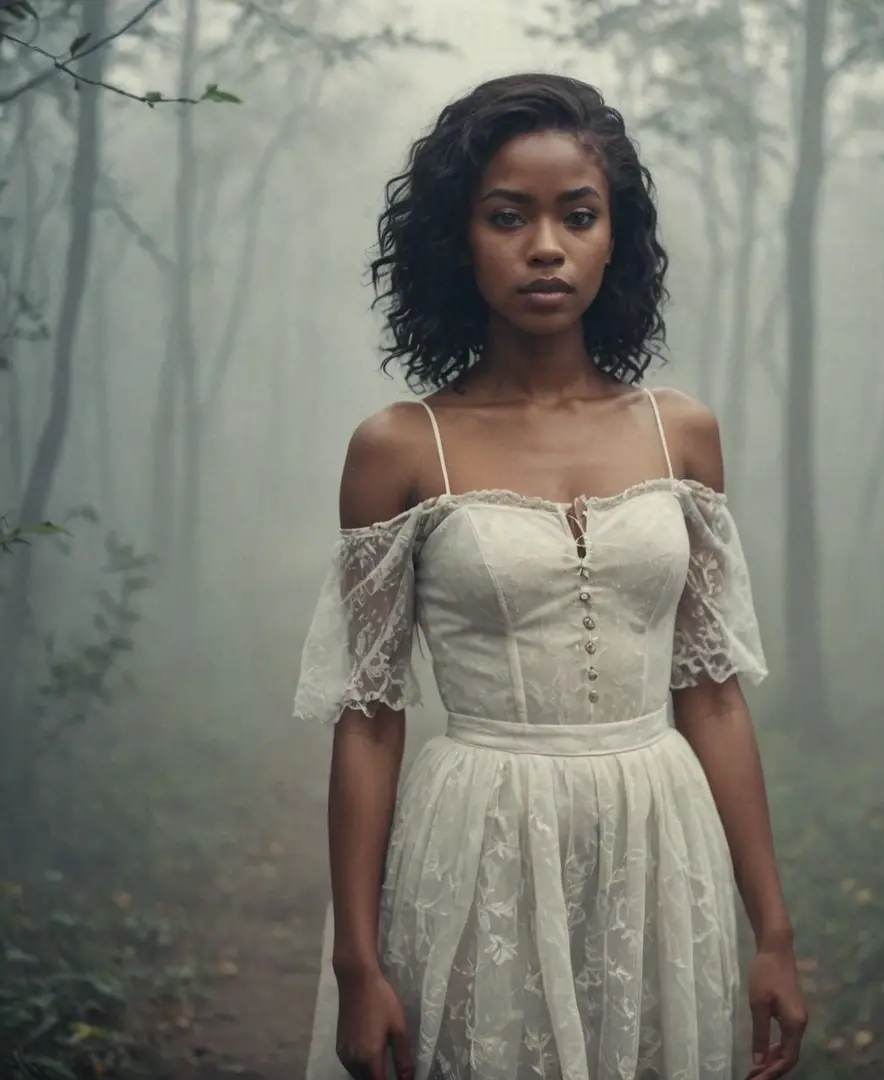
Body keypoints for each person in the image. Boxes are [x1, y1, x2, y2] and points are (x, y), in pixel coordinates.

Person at [293, 72, 807, 1080]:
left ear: (614, 238)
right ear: (457, 238)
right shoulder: (402, 449)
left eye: (577, 215)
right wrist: (358, 965)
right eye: (506, 216)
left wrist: (775, 935)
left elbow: (709, 695)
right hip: (474, 843)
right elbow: (369, 718)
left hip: (663, 846)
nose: (544, 245)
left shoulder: (682, 434)